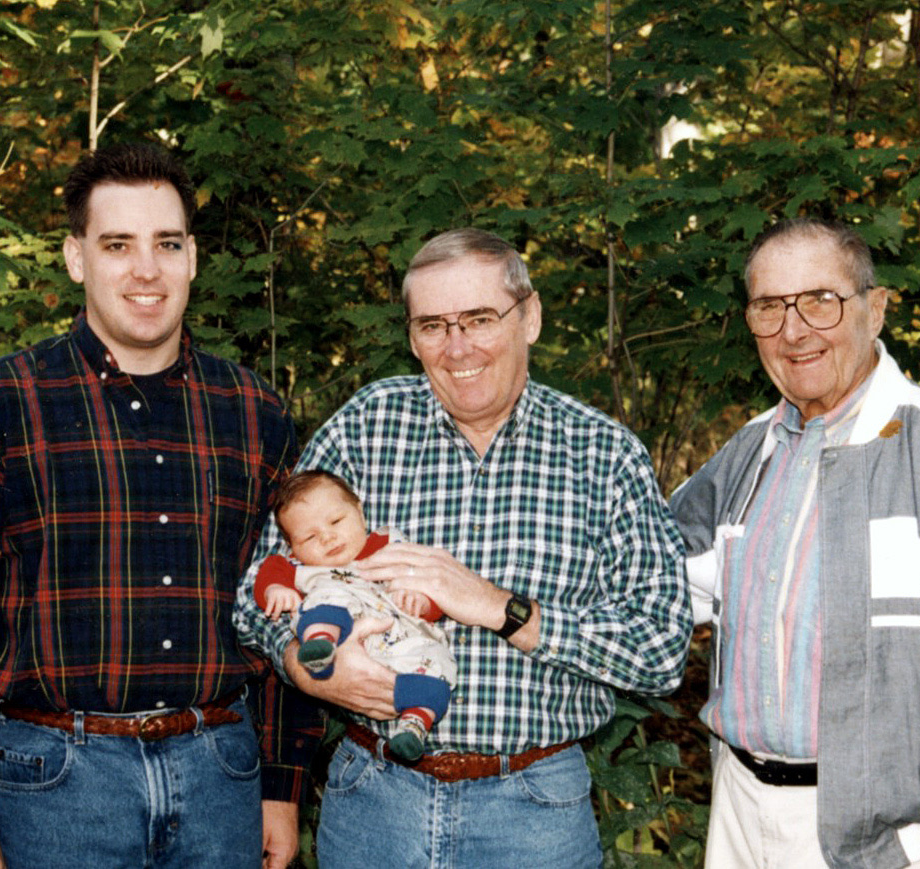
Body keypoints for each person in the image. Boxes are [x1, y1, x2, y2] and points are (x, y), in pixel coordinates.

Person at [0, 142, 323, 869]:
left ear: (193, 258)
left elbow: (299, 598)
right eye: (117, 244)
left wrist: (282, 783)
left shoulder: (255, 413)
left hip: (222, 780)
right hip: (55, 787)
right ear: (76, 257)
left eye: (167, 243)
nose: (146, 269)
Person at [234, 226, 692, 868]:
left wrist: (503, 609)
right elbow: (253, 593)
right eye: (433, 326)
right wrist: (301, 661)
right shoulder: (366, 427)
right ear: (411, 337)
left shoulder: (604, 454)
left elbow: (662, 649)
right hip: (374, 803)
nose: (457, 347)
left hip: (534, 812)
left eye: (479, 319)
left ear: (530, 316)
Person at [668, 217, 920, 869]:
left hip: (877, 837)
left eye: (820, 300)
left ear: (876, 309)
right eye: (769, 306)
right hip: (737, 812)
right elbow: (651, 578)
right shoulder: (749, 451)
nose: (793, 330)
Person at [252, 469, 457, 760]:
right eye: (310, 537)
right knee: (328, 597)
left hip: (399, 635)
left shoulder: (389, 545)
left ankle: (414, 725)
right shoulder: (303, 568)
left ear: (359, 512)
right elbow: (269, 572)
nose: (328, 537)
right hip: (344, 634)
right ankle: (320, 645)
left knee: (438, 660)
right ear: (293, 549)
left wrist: (420, 601)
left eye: (336, 521)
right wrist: (275, 589)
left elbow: (432, 592)